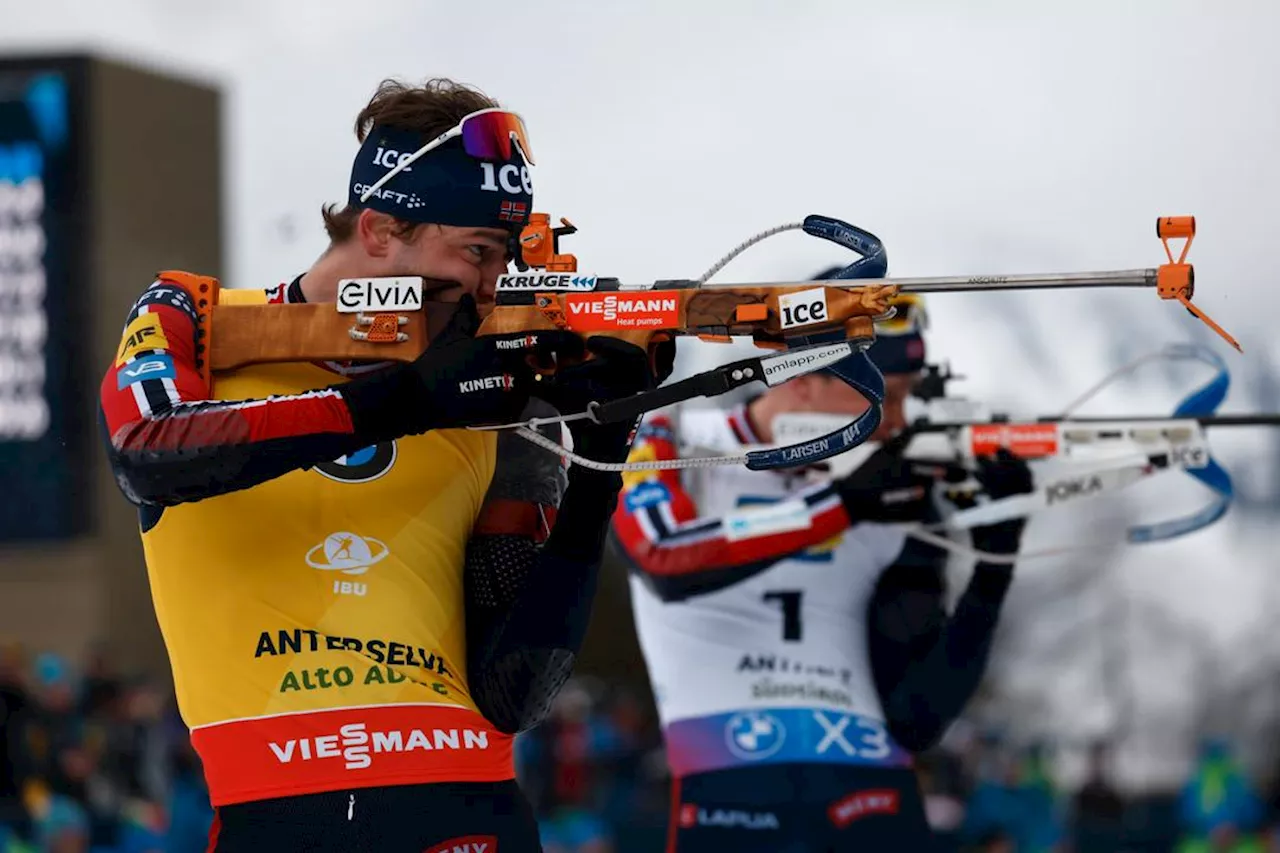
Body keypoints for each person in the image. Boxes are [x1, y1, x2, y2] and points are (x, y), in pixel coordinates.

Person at [98, 77, 667, 852]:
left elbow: (516, 688)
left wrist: (602, 452)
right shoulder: (191, 316)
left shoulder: (491, 397)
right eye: (476, 252)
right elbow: (148, 451)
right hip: (277, 810)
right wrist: (406, 399)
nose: (491, 290)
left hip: (469, 806)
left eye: (504, 259)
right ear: (378, 229)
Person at [609, 275, 1032, 851]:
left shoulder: (899, 486)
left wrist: (994, 564)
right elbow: (663, 555)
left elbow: (917, 718)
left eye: (910, 397)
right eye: (887, 395)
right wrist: (841, 505)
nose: (900, 421)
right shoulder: (676, 437)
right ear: (802, 377)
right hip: (731, 792)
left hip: (872, 794)